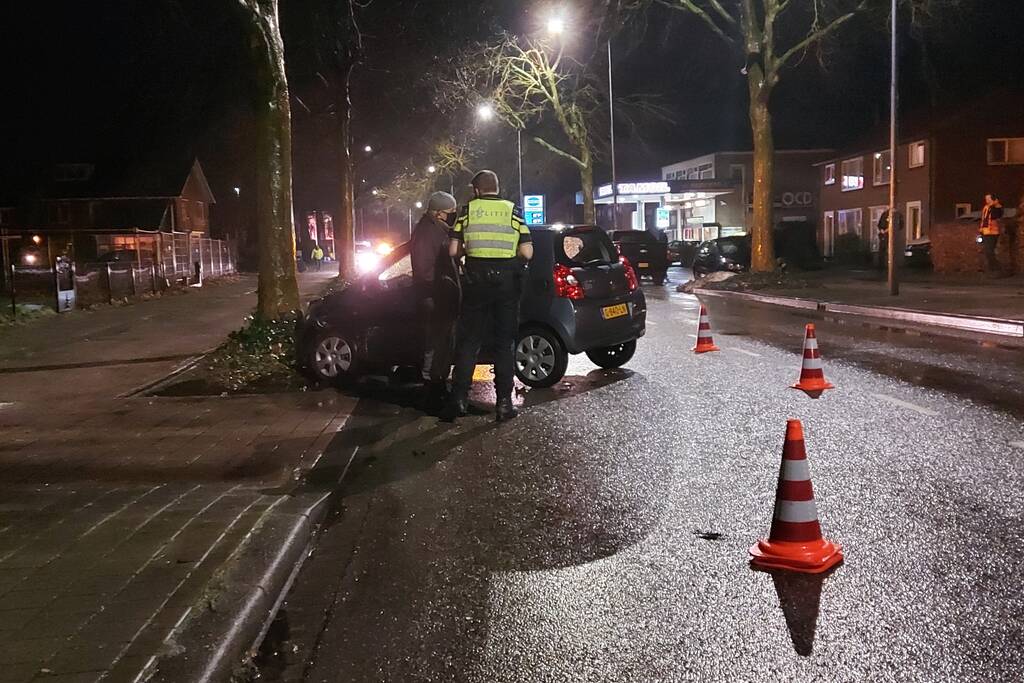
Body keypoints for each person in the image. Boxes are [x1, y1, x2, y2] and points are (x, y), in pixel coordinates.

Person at [443, 170, 533, 423]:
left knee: (469, 342)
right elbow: (527, 252)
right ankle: (504, 404)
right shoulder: (513, 211)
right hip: (506, 285)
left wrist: (468, 253)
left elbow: (453, 250)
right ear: (497, 187)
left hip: (476, 284)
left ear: (476, 190)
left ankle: (459, 399)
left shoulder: (467, 212)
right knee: (504, 344)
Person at [410, 191, 461, 409]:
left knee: (442, 344)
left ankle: (437, 384)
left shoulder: (437, 230)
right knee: (434, 344)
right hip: (433, 298)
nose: (453, 216)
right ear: (439, 213)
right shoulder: (426, 232)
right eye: (450, 212)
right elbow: (424, 271)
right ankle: (432, 389)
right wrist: (444, 284)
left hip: (440, 297)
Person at [979, 193, 1004, 274]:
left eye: (988, 198)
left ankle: (997, 268)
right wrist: (981, 231)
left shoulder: (996, 207)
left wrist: (994, 204)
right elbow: (984, 220)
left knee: (989, 251)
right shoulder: (986, 207)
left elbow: (996, 215)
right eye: (986, 199)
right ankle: (993, 269)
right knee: (987, 251)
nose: (986, 200)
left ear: (993, 199)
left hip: (993, 233)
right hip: (986, 232)